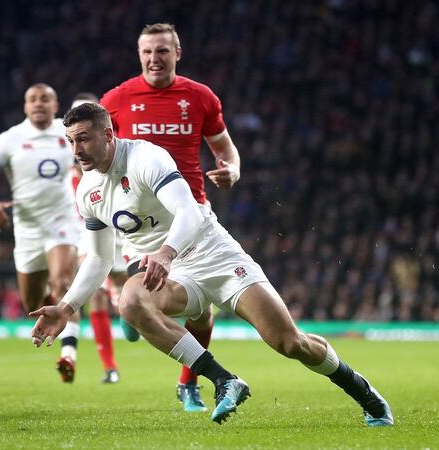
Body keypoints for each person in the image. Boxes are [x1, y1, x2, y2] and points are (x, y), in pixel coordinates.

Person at [29, 103, 393, 427]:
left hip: (212, 254)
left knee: (289, 342)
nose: (77, 150)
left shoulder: (145, 158)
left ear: (108, 134)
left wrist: (166, 253)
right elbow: (100, 258)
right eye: (71, 141)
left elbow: (187, 211)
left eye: (84, 139)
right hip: (170, 274)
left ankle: (363, 391)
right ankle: (223, 380)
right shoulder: (87, 191)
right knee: (130, 301)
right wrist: (66, 307)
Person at [100, 22, 241, 412]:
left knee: (202, 312)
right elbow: (96, 155)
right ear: (139, 55)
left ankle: (188, 383)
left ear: (177, 53)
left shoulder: (200, 97)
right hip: (140, 222)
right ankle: (130, 305)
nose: (153, 58)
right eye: (147, 51)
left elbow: (225, 149)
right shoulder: (117, 99)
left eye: (162, 51)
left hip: (190, 212)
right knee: (142, 298)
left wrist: (232, 170)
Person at [0, 83, 82, 382]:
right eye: (32, 99)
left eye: (45, 99)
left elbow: (91, 163)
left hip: (63, 220)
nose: (38, 104)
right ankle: (55, 311)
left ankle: (68, 354)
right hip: (27, 229)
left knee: (62, 283)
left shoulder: (68, 132)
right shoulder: (9, 140)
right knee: (33, 303)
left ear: (56, 104)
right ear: (25, 106)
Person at [70, 92, 126, 384]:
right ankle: (110, 366)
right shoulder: (70, 156)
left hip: (123, 226)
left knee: (123, 291)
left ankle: (128, 311)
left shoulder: (114, 148)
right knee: (98, 296)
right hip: (90, 227)